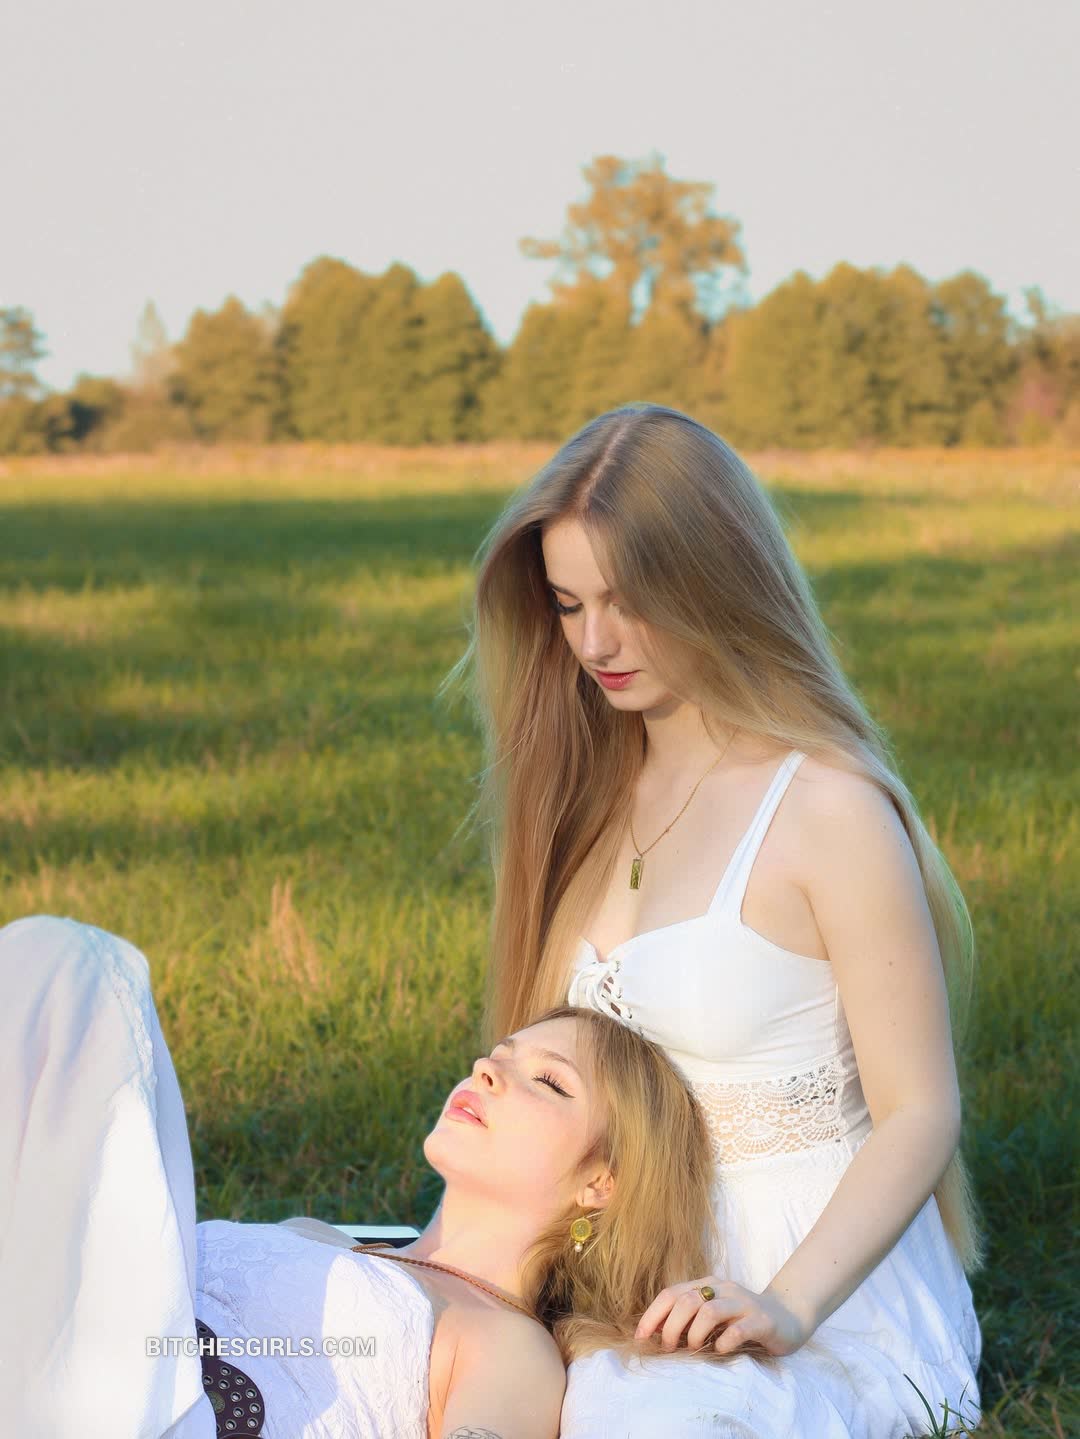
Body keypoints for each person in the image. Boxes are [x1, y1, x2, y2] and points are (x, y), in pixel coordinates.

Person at [439, 402, 984, 1437]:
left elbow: (921, 1111)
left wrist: (785, 1304)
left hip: (816, 1301)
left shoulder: (826, 806)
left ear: (713, 581)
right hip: (614, 1282)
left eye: (629, 602)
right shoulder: (582, 792)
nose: (595, 642)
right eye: (568, 603)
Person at [0, 911, 734, 1439]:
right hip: (64, 1353)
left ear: (601, 1183)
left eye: (548, 1081)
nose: (488, 1069)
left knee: (77, 965)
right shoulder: (316, 1236)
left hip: (136, 1407)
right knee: (49, 960)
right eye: (500, 1055)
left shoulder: (505, 1344)